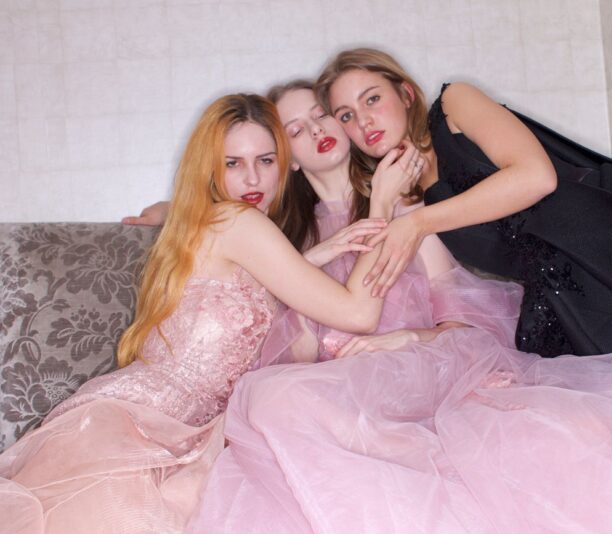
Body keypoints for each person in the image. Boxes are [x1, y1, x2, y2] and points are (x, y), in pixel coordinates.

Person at [187, 83, 612, 533]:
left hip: (430, 368)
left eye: (325, 113)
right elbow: (291, 348)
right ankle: (413, 462)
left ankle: (432, 455)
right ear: (287, 158)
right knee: (278, 405)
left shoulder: (413, 211)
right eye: (294, 129)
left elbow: (464, 319)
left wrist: (406, 336)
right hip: (354, 392)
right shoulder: (287, 246)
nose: (317, 127)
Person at [0, 93, 413, 533]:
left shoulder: (211, 223)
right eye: (232, 163)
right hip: (151, 428)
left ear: (283, 163)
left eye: (265, 160)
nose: (252, 177)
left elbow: (247, 295)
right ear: (210, 168)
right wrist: (382, 203)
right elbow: (358, 314)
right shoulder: (238, 222)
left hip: (183, 428)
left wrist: (313, 257)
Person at [315, 48, 612, 369]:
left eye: (372, 99)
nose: (364, 121)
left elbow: (536, 177)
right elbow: (370, 294)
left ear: (406, 94)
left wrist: (420, 222)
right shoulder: (407, 194)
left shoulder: (454, 106)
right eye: (347, 116)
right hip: (573, 309)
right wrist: (385, 201)